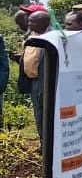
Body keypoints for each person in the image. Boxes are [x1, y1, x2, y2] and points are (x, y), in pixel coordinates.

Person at [22, 9, 51, 139]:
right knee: (39, 115)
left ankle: (49, 147)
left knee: (47, 116)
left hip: (46, 83)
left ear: (43, 23)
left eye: (32, 22)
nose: (29, 24)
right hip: (34, 82)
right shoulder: (32, 35)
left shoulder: (52, 38)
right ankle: (43, 143)